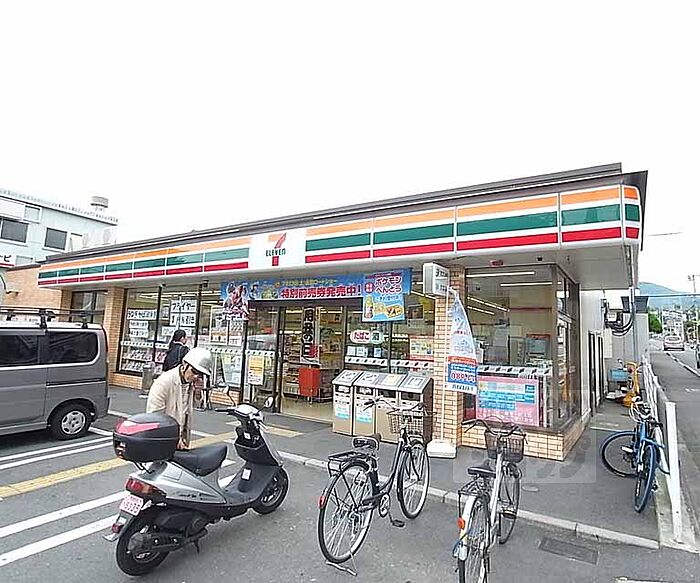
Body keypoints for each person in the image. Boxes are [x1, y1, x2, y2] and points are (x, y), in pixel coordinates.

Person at [146, 347, 212, 450]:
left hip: (181, 439)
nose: (196, 376)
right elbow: (154, 417)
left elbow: (195, 405)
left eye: (200, 374)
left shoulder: (190, 383)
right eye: (194, 371)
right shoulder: (164, 382)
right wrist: (173, 439)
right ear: (185, 364)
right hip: (164, 439)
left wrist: (198, 392)